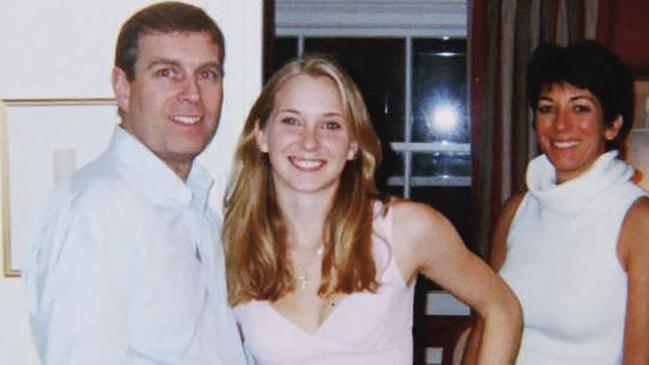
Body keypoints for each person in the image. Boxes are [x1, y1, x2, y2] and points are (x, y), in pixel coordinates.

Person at [223, 55, 522, 364]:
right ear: (261, 136)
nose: (309, 142)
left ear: (352, 143)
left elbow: (502, 308)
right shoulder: (233, 245)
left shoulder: (405, 228)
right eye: (291, 121)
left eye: (330, 124)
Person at [23, 2, 247, 364]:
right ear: (123, 88)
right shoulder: (96, 211)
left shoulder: (196, 212)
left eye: (207, 74)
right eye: (167, 73)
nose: (192, 94)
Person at [464, 41, 649, 364]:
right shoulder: (516, 211)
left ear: (613, 125)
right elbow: (483, 328)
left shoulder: (637, 221)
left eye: (580, 108)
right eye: (548, 108)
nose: (561, 125)